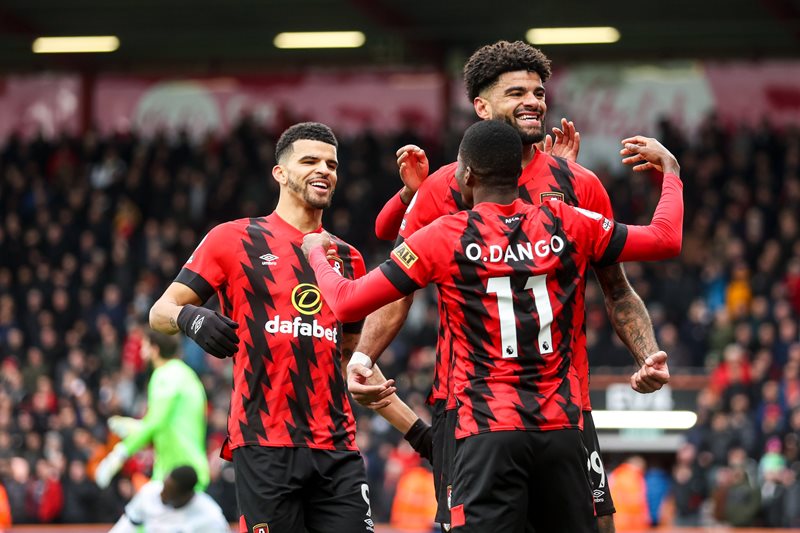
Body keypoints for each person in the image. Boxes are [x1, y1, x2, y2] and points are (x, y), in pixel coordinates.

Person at [301, 120, 681, 532]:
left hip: (485, 429)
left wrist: (317, 253)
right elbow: (665, 238)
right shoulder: (568, 220)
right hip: (561, 428)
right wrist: (671, 171)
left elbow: (346, 300)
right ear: (520, 174)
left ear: (466, 175)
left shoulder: (444, 235)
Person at [148, 122, 384, 532]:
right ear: (280, 173)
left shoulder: (348, 258)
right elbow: (159, 312)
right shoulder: (232, 239)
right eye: (309, 161)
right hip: (264, 441)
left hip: (336, 444)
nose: (323, 170)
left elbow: (348, 351)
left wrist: (368, 380)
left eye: (331, 164)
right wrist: (191, 317)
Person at [95, 330, 210, 490]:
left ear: (155, 349)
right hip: (192, 469)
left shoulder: (163, 376)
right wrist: (135, 427)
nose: (141, 353)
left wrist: (120, 453)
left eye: (145, 346)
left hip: (175, 474)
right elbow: (171, 423)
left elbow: (156, 422)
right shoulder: (188, 375)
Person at [108, 465, 229, 533]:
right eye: (163, 486)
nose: (161, 494)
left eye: (168, 491)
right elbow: (127, 524)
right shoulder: (151, 492)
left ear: (185, 495)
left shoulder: (210, 516)